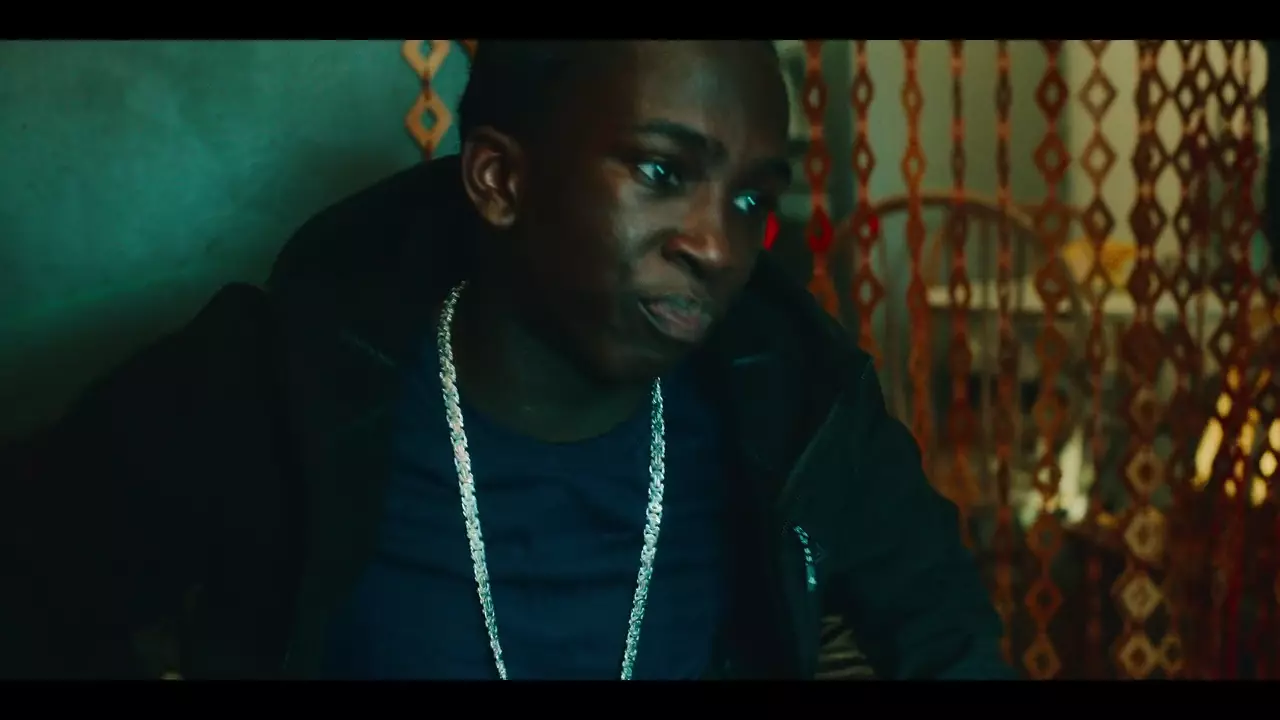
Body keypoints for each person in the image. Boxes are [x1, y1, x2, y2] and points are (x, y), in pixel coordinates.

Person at [0, 40, 1013, 680]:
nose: (717, 244)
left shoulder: (794, 395)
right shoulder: (280, 377)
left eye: (750, 197)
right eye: (661, 171)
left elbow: (951, 643)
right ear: (498, 180)